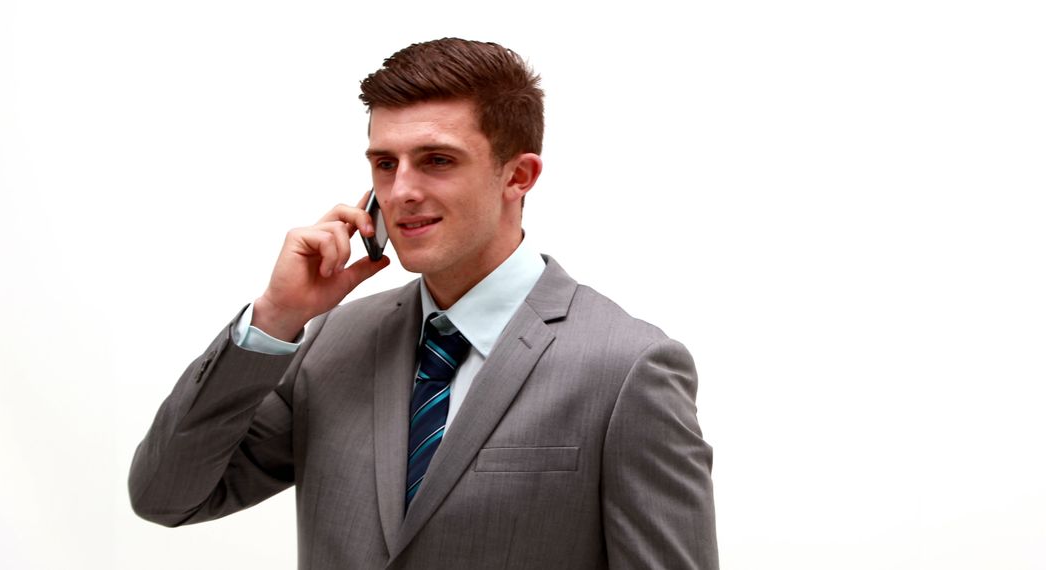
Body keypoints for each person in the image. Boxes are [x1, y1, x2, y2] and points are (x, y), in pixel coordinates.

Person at [129, 37, 719, 569]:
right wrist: (276, 320)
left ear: (519, 175)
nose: (402, 190)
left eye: (437, 160)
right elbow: (167, 497)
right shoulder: (333, 342)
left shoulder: (628, 369)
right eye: (385, 164)